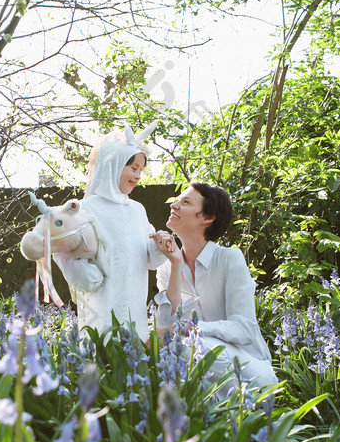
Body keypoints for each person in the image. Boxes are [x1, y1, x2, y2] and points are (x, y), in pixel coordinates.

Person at [152, 182, 276, 392]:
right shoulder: (167, 266)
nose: (175, 205)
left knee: (186, 346)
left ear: (207, 218)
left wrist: (190, 328)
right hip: (197, 366)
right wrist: (175, 265)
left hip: (250, 370)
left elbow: (244, 328)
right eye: (177, 200)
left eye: (186, 202)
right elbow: (167, 323)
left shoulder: (229, 259)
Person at [52, 126, 167, 340]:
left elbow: (149, 258)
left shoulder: (137, 210)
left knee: (134, 364)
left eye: (140, 170)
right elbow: (58, 247)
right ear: (113, 163)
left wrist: (160, 246)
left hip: (134, 308)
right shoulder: (84, 208)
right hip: (99, 305)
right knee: (100, 357)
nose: (138, 176)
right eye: (133, 168)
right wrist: (80, 274)